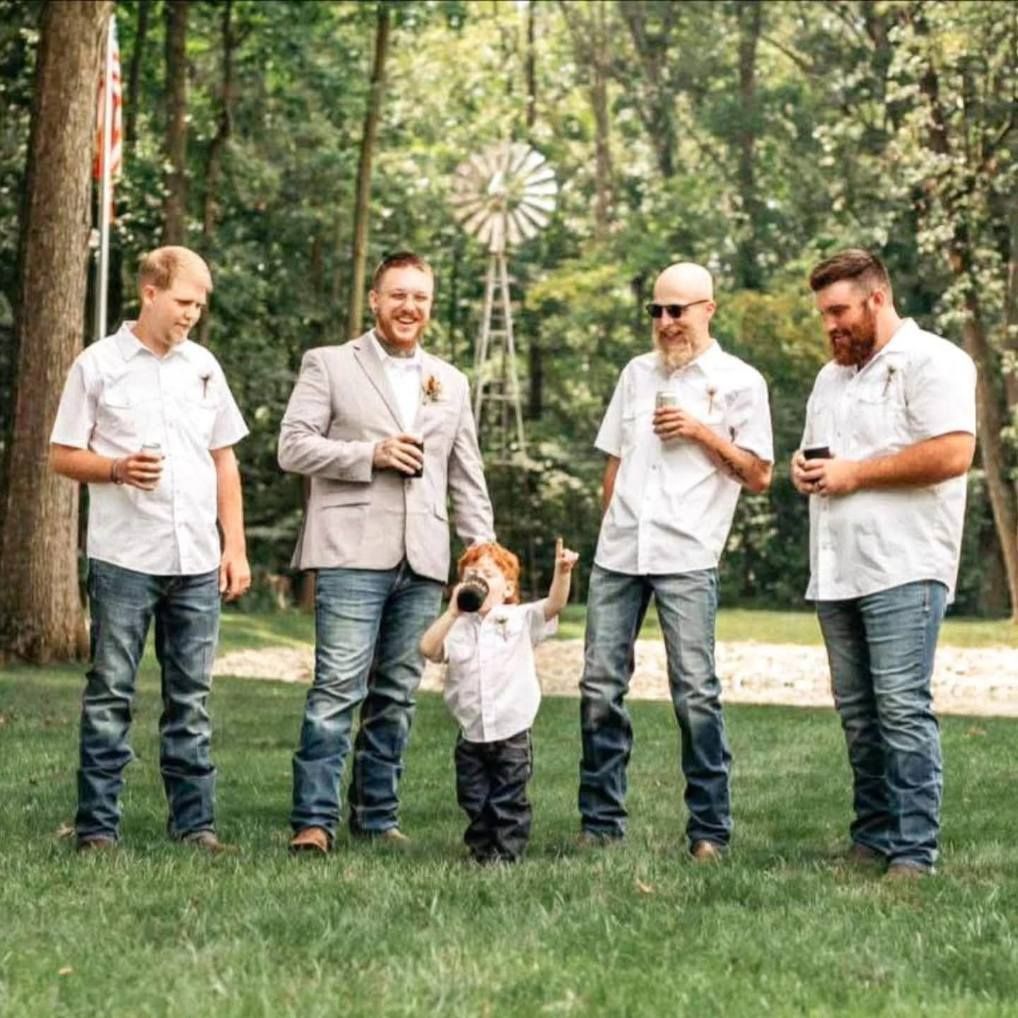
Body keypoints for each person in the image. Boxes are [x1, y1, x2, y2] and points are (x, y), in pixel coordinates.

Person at [279, 250, 494, 854]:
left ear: (430, 305)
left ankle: (376, 817)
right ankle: (314, 820)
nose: (409, 307)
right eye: (397, 295)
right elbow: (291, 447)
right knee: (337, 688)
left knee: (397, 693)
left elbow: (465, 473)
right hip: (350, 552)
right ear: (374, 300)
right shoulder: (328, 364)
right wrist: (367, 455)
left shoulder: (450, 381)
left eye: (420, 297)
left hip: (422, 558)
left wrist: (482, 552)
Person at [50, 245, 250, 853]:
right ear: (151, 292)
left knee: (190, 698)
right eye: (185, 301)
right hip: (124, 561)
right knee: (112, 692)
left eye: (201, 305)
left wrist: (234, 547)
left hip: (195, 560)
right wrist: (114, 469)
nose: (193, 314)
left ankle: (195, 826)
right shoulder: (98, 364)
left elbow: (224, 459)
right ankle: (97, 829)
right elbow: (60, 454)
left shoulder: (204, 367)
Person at [578, 261, 773, 859]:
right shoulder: (635, 375)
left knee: (694, 693)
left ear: (708, 310)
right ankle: (600, 824)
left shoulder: (741, 382)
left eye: (677, 311)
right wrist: (611, 520)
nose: (665, 323)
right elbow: (613, 462)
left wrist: (698, 431)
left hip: (687, 553)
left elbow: (760, 476)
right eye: (656, 312)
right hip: (619, 552)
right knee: (599, 689)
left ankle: (709, 831)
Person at [791, 249, 976, 879]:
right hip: (837, 567)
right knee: (859, 713)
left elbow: (953, 453)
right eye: (823, 314)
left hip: (905, 564)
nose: (830, 325)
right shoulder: (830, 379)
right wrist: (804, 469)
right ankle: (870, 837)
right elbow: (826, 459)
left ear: (876, 299)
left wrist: (854, 474)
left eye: (839, 311)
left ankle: (912, 852)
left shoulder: (936, 361)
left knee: (900, 707)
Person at [420, 538, 579, 864]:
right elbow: (428, 649)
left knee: (508, 798)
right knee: (474, 798)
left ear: (507, 588)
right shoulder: (457, 627)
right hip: (471, 734)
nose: (477, 580)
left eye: (487, 575)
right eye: (470, 574)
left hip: (512, 732)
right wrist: (451, 612)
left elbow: (553, 604)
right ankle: (481, 851)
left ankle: (506, 855)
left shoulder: (519, 619)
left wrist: (563, 572)